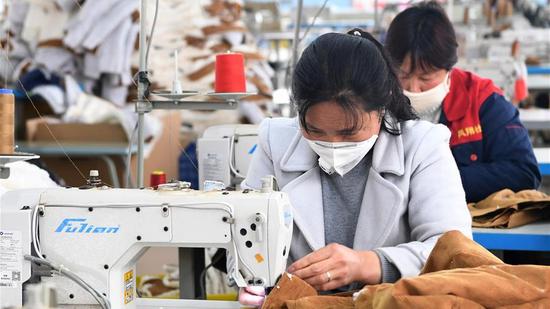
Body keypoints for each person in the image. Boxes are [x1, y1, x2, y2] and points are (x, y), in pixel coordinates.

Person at [238, 29, 472, 306]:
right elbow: (246, 235)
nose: (332, 144)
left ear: (382, 106)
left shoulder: (423, 145)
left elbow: (453, 251)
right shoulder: (275, 141)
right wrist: (252, 279)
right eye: (315, 130)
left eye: (349, 133)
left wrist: (367, 264)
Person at [385, 1, 541, 203]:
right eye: (402, 75)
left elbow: (524, 173)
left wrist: (435, 179)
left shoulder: (482, 100)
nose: (413, 89)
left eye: (425, 78)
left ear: (449, 69)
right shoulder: (374, 99)